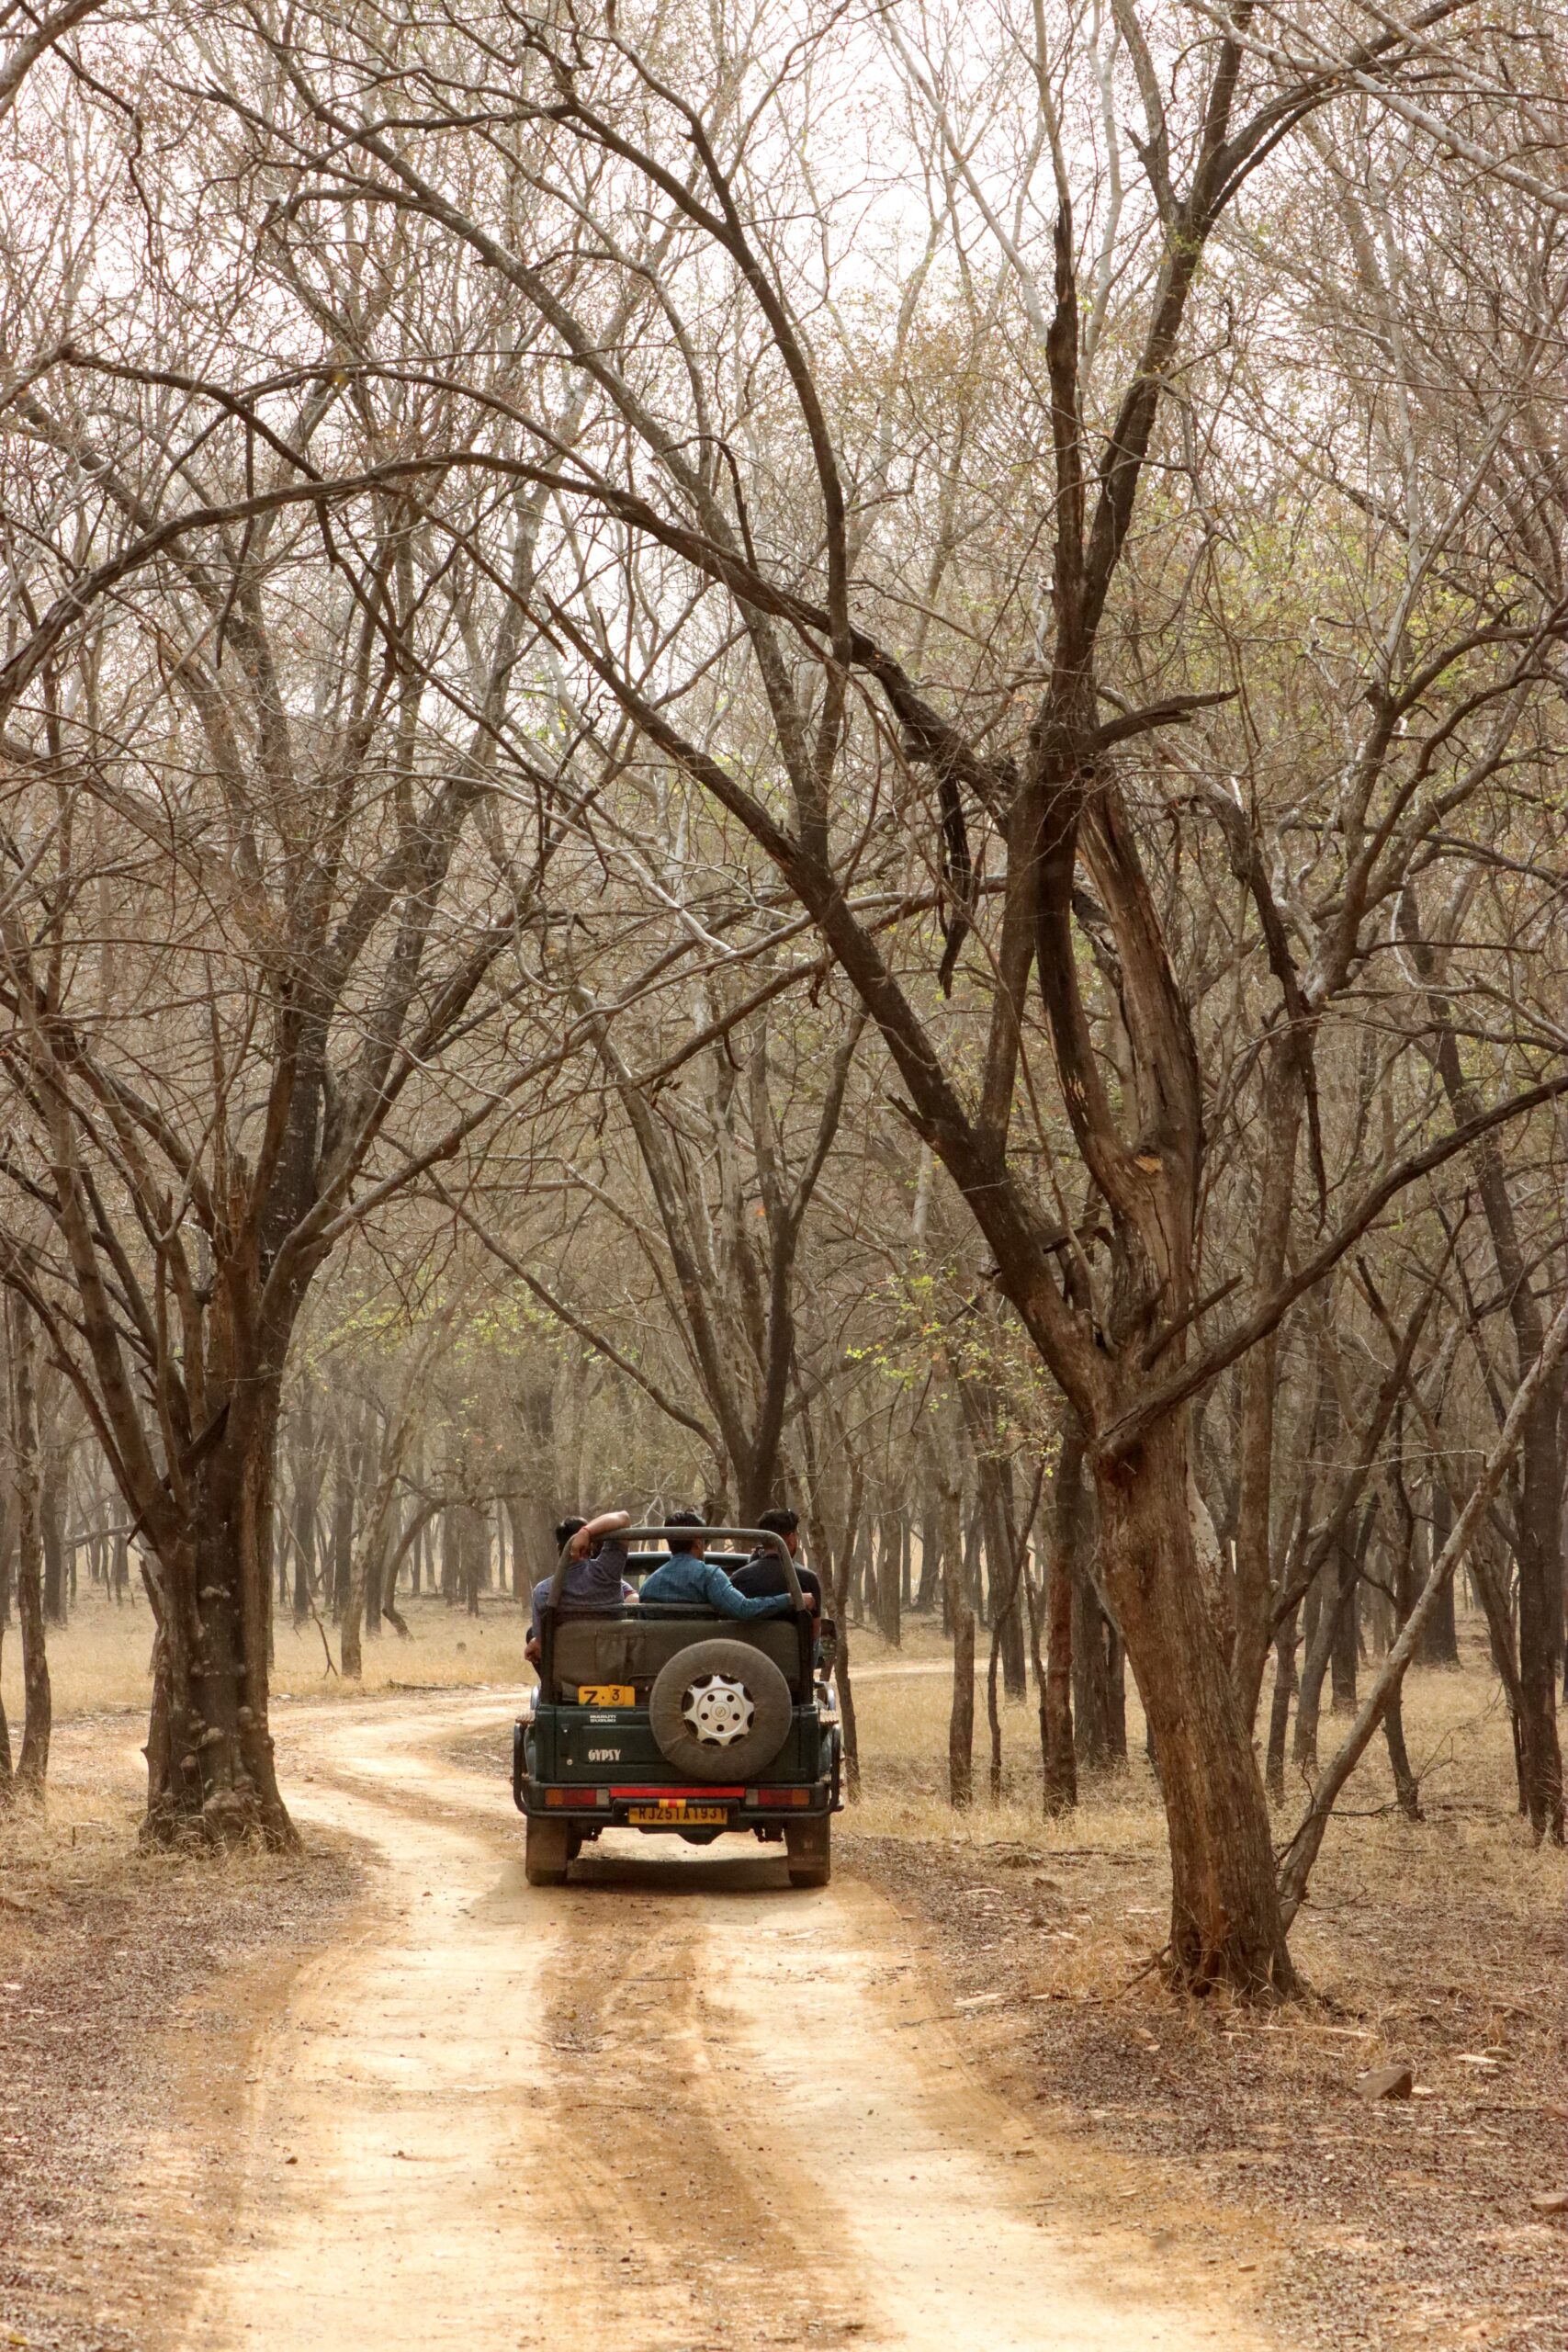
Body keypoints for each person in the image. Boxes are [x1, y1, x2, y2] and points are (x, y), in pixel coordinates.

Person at [637, 1509, 796, 1620]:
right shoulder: (708, 1575)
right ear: (698, 1543)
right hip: (706, 1658)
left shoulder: (649, 1584)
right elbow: (743, 1609)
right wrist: (789, 1599)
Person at [526, 1509, 637, 1657]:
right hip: (613, 1665)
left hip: (568, 1673)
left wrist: (535, 1642)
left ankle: (546, 1682)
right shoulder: (607, 1572)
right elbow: (623, 1518)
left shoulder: (543, 1592)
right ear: (590, 1545)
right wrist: (587, 1532)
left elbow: (541, 1645)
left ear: (559, 1548)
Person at [728, 1506, 822, 1611]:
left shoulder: (739, 1577)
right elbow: (814, 1626)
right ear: (791, 1539)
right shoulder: (808, 1579)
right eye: (797, 1536)